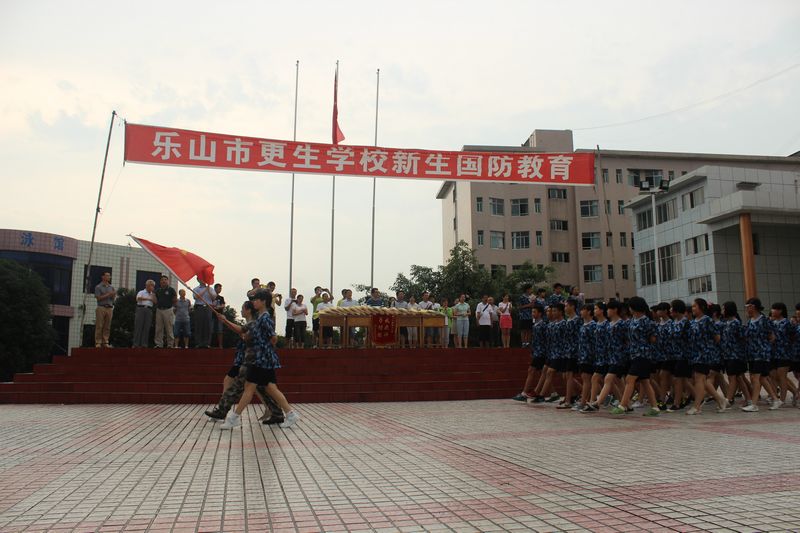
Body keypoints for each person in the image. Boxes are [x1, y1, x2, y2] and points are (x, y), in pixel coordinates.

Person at [220, 289, 299, 430]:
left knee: (249, 387)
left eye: (256, 300)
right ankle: (290, 413)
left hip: (261, 359)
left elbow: (273, 338)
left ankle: (234, 418)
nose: (254, 302)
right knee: (270, 388)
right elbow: (245, 331)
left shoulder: (265, 318)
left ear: (264, 301)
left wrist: (263, 347)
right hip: (262, 358)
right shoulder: (261, 317)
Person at [204, 301, 283, 424]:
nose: (241, 311)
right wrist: (225, 321)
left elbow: (244, 331)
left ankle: (223, 411)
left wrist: (225, 321)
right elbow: (241, 330)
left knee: (238, 386)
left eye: (243, 308)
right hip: (250, 358)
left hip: (252, 359)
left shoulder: (257, 321)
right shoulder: (255, 321)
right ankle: (278, 413)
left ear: (249, 310)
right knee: (262, 387)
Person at [609, 296, 660, 416]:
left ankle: (622, 405)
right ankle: (655, 407)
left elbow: (654, 339)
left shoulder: (647, 321)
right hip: (634, 354)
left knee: (629, 379)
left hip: (643, 355)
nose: (629, 309)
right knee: (645, 381)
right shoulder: (632, 320)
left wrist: (643, 342)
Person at [684, 298, 728, 415]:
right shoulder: (693, 322)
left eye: (695, 306)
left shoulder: (707, 320)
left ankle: (697, 406)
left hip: (704, 354)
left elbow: (717, 338)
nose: (693, 308)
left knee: (699, 378)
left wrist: (708, 347)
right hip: (694, 354)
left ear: (702, 307)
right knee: (701, 380)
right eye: (692, 306)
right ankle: (720, 400)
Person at [743, 297, 781, 412]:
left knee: (756, 378)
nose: (746, 309)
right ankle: (775, 399)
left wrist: (765, 347)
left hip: (761, 354)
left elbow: (772, 337)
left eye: (748, 307)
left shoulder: (764, 320)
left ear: (753, 307)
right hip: (752, 354)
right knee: (763, 378)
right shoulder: (750, 321)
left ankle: (754, 404)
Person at [720, 301, 750, 407]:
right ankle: (749, 399)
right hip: (727, 355)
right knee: (738, 378)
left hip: (735, 355)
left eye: (724, 309)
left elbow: (742, 338)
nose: (722, 311)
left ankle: (728, 400)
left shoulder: (736, 323)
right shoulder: (726, 323)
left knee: (732, 377)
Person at [770, 302, 796, 406]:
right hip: (774, 353)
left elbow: (793, 336)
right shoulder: (772, 323)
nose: (772, 311)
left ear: (780, 311)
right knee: (774, 376)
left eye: (774, 309)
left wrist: (787, 345)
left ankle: (782, 399)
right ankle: (793, 392)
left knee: (782, 377)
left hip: (784, 353)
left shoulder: (786, 323)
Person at [154, 275, 177, 349]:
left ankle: (170, 344)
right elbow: (155, 300)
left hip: (168, 310)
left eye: (165, 279)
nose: (163, 281)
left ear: (167, 281)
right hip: (159, 310)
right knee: (158, 328)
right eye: (162, 280)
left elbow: (175, 299)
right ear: (160, 282)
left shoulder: (171, 290)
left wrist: (174, 307)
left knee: (169, 328)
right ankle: (159, 344)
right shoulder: (158, 290)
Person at [192, 278, 216, 348]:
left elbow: (213, 298)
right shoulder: (196, 289)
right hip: (199, 307)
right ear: (198, 280)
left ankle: (207, 343)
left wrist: (208, 290)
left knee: (207, 325)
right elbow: (196, 297)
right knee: (199, 325)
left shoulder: (211, 289)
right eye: (201, 279)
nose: (203, 280)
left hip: (208, 307)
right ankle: (198, 343)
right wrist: (205, 289)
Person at [94, 271, 115, 348]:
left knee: (107, 326)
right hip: (101, 307)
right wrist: (108, 294)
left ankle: (105, 341)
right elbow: (98, 298)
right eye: (107, 275)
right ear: (103, 277)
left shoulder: (111, 287)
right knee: (99, 325)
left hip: (109, 307)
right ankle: (98, 342)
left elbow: (113, 298)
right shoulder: (98, 287)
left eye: (109, 276)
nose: (109, 277)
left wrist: (113, 295)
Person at [133, 279, 157, 347]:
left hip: (149, 310)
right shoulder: (142, 292)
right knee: (138, 327)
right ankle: (136, 344)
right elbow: (138, 298)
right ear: (147, 285)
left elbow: (155, 302)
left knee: (147, 327)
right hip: (141, 308)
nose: (151, 287)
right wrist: (148, 298)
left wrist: (153, 295)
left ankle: (144, 344)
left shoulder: (153, 294)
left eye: (152, 285)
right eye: (150, 285)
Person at [210, 283, 226, 349]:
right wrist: (213, 307)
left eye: (221, 288)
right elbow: (209, 304)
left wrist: (219, 307)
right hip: (212, 315)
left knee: (220, 330)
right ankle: (210, 344)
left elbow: (223, 305)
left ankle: (220, 345)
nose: (220, 289)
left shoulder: (221, 298)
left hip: (220, 315)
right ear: (215, 288)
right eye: (219, 288)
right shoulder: (211, 297)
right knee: (211, 330)